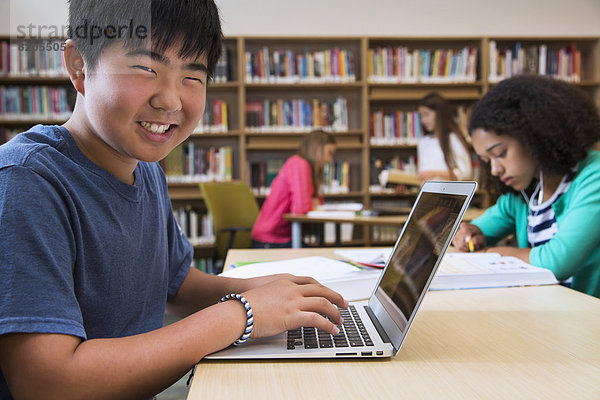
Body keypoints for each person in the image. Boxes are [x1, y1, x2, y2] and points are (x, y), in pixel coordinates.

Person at [0, 1, 347, 398]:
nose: (171, 100)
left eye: (193, 76)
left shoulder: (145, 170)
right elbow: (47, 383)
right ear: (80, 65)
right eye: (146, 68)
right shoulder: (26, 180)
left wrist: (274, 293)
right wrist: (243, 314)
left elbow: (176, 285)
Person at [452, 75, 600, 298]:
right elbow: (477, 231)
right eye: (486, 161)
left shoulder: (593, 176)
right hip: (545, 315)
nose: (494, 170)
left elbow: (556, 262)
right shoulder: (525, 190)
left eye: (500, 154)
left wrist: (487, 254)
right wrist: (465, 234)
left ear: (534, 135)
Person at [251, 130, 336, 248]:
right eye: (329, 153)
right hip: (271, 240)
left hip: (285, 237)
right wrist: (311, 202)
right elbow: (301, 208)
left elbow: (318, 202)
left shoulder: (308, 168)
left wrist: (310, 202)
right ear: (317, 148)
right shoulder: (299, 164)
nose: (330, 160)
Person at [417, 93, 472, 181]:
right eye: (421, 116)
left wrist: (434, 174)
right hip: (428, 192)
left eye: (426, 114)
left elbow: (465, 173)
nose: (423, 120)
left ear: (440, 114)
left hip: (448, 192)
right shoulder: (423, 142)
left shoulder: (453, 139)